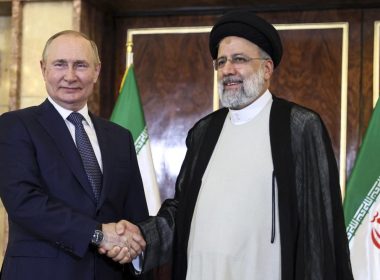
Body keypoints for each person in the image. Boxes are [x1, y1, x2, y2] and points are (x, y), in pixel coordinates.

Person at [108, 10, 354, 280]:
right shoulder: (204, 132)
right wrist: (142, 237)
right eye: (221, 61)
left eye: (239, 60)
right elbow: (182, 210)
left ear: (267, 68)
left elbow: (318, 227)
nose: (228, 70)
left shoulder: (299, 126)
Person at [0, 30, 149, 280]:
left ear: (96, 71)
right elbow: (24, 203)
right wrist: (98, 233)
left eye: (80, 65)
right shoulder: (15, 126)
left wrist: (131, 246)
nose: (70, 76)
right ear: (44, 68)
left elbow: (135, 213)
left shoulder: (120, 137)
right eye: (60, 65)